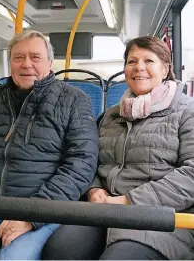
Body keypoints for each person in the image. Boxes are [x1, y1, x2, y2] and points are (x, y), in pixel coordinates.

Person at [42, 36, 194, 260]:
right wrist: (93, 190)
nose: (139, 68)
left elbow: (191, 174)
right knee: (59, 251)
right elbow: (88, 160)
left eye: (148, 61)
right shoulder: (110, 115)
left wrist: (128, 200)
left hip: (160, 217)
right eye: (132, 61)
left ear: (165, 68)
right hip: (104, 210)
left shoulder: (186, 112)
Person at [0, 30, 99, 260]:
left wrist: (32, 214)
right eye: (18, 58)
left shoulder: (74, 99)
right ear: (10, 63)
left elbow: (81, 164)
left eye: (35, 57)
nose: (26, 64)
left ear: (49, 62)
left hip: (40, 211)